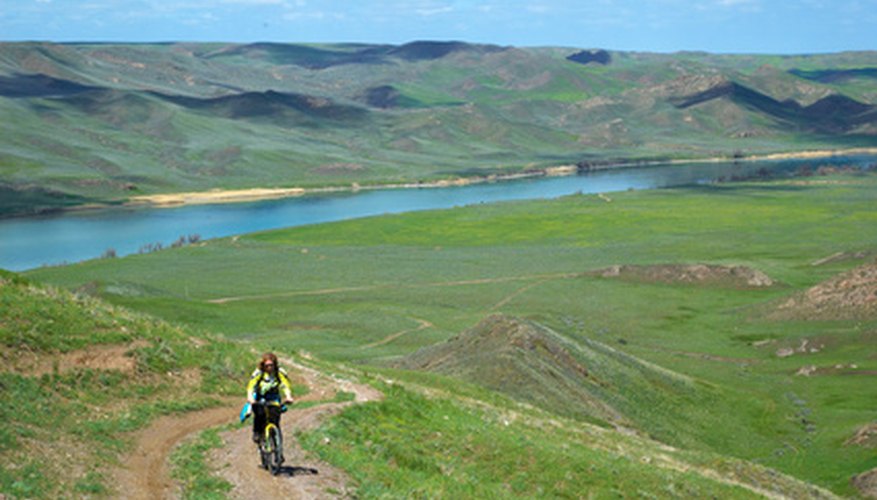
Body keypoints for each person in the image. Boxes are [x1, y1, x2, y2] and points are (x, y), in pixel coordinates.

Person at [246, 352, 294, 445]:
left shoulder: (279, 372)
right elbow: (251, 385)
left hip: (273, 396)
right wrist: (250, 397)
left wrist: (288, 396)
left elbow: (285, 385)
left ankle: (278, 447)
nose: (269, 368)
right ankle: (257, 432)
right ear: (263, 365)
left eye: (271, 365)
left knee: (275, 418)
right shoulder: (259, 373)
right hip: (261, 396)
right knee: (259, 414)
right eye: (267, 365)